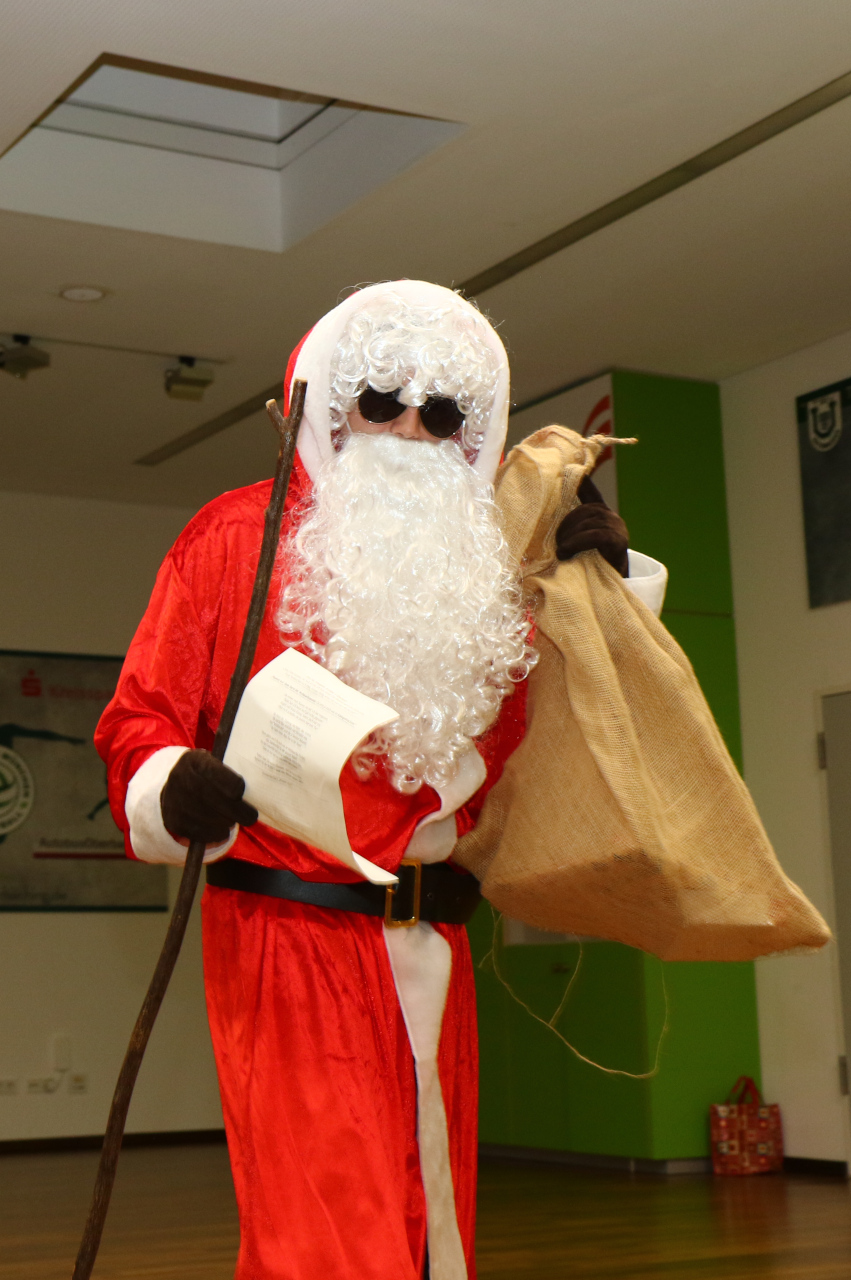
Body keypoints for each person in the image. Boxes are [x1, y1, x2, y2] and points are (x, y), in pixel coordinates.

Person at [94, 280, 667, 1280]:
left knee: (432, 1222)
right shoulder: (235, 539)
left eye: (440, 413)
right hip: (288, 935)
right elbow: (140, 718)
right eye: (380, 401)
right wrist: (169, 782)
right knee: (325, 1233)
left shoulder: (493, 565)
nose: (409, 430)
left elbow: (574, 741)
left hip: (436, 940)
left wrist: (608, 596)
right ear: (329, 408)